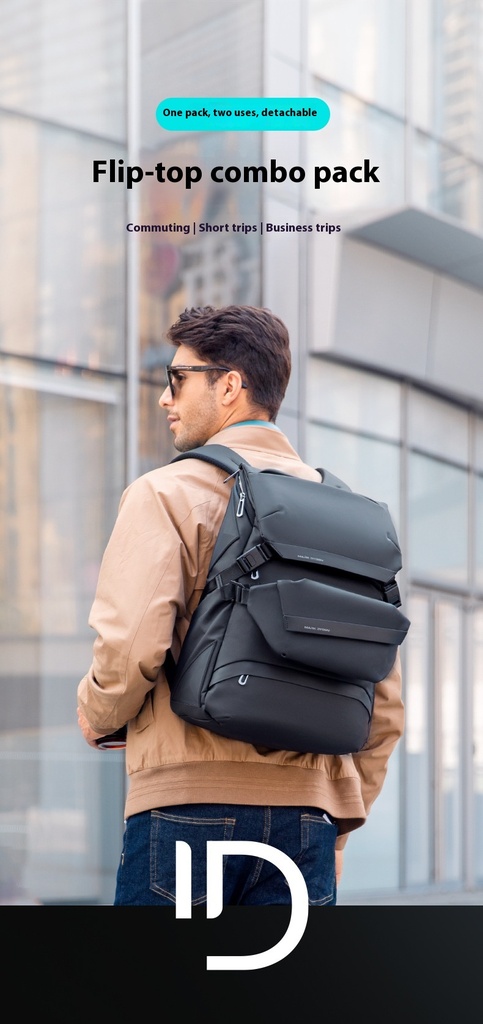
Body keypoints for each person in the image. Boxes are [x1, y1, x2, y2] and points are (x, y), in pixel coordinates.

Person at [77, 304, 404, 906]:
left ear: (229, 385)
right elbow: (382, 701)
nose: (165, 398)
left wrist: (96, 714)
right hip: (307, 825)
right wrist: (341, 816)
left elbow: (129, 647)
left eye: (178, 379)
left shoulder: (167, 493)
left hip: (186, 810)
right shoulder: (356, 520)